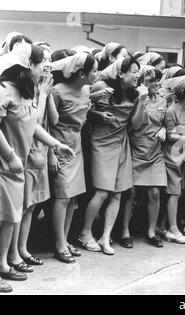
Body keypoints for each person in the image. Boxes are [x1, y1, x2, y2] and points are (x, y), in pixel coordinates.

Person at [0, 43, 74, 293]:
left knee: (10, 217)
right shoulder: (4, 89)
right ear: (27, 65)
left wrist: (56, 144)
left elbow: (33, 124)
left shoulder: (26, 91)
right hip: (5, 163)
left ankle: (3, 264)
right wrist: (9, 155)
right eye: (41, 61)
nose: (46, 66)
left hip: (15, 165)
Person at [78, 57, 142, 256]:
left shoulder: (135, 93)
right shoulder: (101, 86)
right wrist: (99, 115)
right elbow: (81, 110)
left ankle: (105, 237)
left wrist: (141, 100)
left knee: (118, 192)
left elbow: (136, 125)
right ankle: (85, 233)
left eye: (138, 71)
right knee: (103, 191)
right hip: (101, 142)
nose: (137, 75)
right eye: (133, 70)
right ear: (120, 73)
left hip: (121, 143)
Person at [49, 53, 98, 263]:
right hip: (60, 146)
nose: (96, 74)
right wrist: (51, 151)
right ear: (81, 73)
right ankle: (59, 244)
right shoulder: (57, 92)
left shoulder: (86, 90)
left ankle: (65, 239)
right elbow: (48, 124)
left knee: (73, 197)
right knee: (62, 197)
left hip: (77, 147)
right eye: (94, 70)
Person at [121, 66, 167, 248]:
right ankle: (124, 231)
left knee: (155, 192)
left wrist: (164, 129)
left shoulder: (163, 101)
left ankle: (151, 231)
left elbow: (166, 122)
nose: (155, 83)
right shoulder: (134, 99)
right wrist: (140, 101)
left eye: (157, 79)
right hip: (135, 149)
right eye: (151, 80)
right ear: (141, 83)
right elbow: (134, 125)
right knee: (131, 193)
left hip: (155, 152)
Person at [160, 75, 185, 244]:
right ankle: (173, 229)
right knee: (174, 193)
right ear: (184, 91)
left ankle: (165, 226)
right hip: (172, 156)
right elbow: (170, 136)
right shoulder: (171, 111)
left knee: (179, 191)